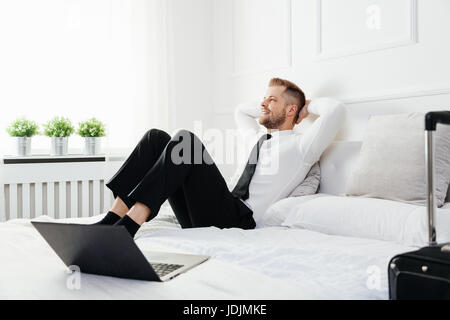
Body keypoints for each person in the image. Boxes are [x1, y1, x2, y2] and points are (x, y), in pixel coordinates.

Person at [96, 78, 344, 237]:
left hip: (238, 220)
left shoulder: (301, 146)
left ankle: (130, 226)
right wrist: (274, 102)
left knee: (186, 140)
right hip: (211, 210)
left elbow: (335, 111)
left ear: (291, 110)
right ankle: (112, 219)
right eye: (263, 99)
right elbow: (241, 111)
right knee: (155, 138)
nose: (263, 104)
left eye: (271, 100)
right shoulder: (256, 138)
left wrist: (305, 107)